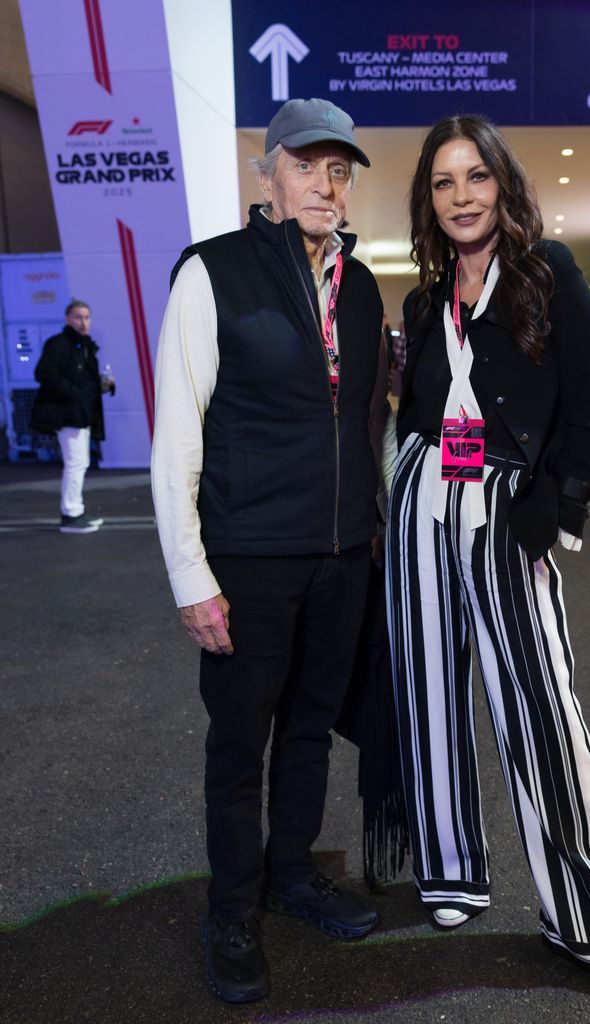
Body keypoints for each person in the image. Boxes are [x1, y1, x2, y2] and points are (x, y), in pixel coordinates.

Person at [386, 114, 590, 1006]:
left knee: (543, 710)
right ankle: (451, 873)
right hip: (423, 498)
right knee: (427, 694)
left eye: (476, 178)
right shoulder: (425, 298)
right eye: (443, 183)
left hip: (506, 512)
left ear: (502, 182)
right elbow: (418, 404)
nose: (461, 197)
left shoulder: (549, 274)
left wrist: (557, 514)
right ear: (429, 198)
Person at [151, 98, 394, 1004]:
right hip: (247, 561)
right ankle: (233, 907)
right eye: (307, 166)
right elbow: (177, 435)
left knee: (307, 734)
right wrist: (191, 577)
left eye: (339, 170)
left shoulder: (363, 288)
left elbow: (370, 422)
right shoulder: (212, 274)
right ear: (268, 175)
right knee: (238, 745)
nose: (325, 185)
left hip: (341, 557)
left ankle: (290, 874)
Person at [30, 299, 114, 533]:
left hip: (81, 414)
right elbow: (43, 372)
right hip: (68, 415)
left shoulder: (85, 346)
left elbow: (84, 382)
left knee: (80, 463)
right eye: (78, 317)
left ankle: (75, 511)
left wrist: (103, 385)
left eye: (87, 317)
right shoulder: (59, 344)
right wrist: (73, 393)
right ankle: (71, 514)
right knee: (76, 463)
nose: (83, 322)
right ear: (68, 319)